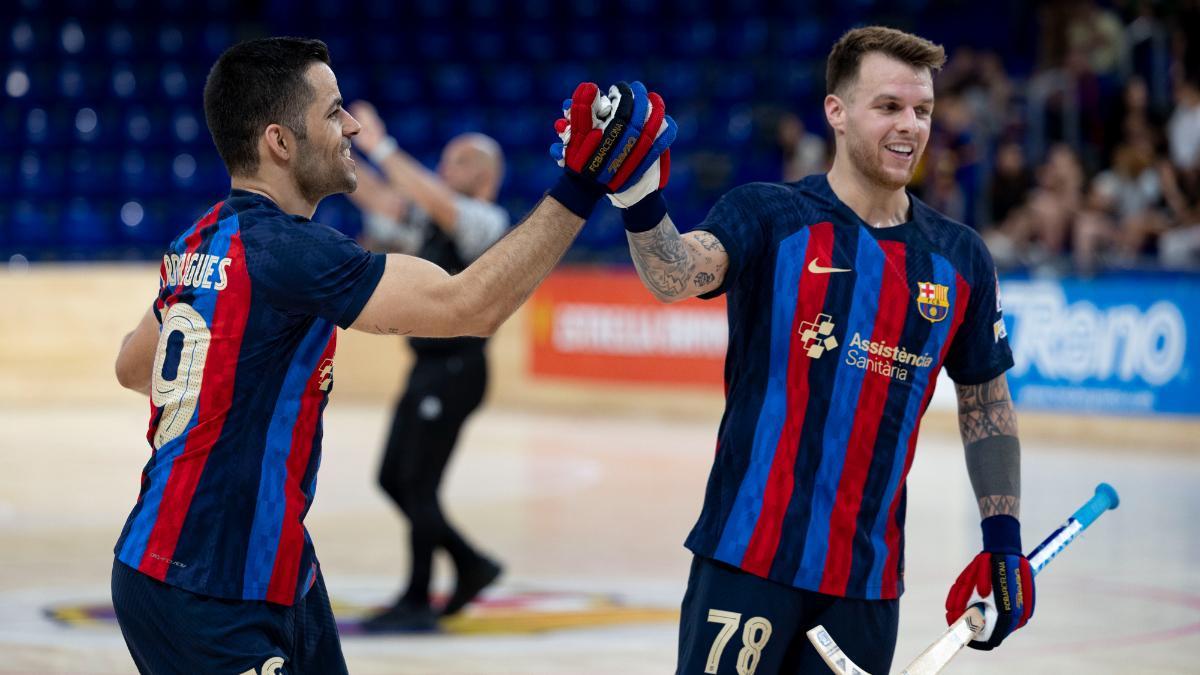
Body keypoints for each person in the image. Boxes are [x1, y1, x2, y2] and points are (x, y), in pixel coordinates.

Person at [110, 37, 673, 674]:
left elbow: (134, 366)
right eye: (332, 112)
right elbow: (470, 307)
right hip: (208, 584)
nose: (350, 124)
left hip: (250, 561)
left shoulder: (202, 237)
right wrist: (582, 182)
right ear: (280, 142)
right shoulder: (293, 252)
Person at [604, 27, 1033, 673]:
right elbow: (675, 274)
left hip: (866, 586)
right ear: (836, 111)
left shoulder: (960, 257)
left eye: (922, 111)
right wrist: (638, 196)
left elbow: (985, 400)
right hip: (746, 557)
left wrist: (1003, 539)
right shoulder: (770, 214)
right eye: (888, 106)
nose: (910, 126)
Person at [343, 105, 509, 631]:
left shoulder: (487, 221)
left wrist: (384, 146)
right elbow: (380, 197)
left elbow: (436, 205)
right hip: (428, 367)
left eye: (456, 162)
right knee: (394, 477)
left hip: (458, 368)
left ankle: (420, 597)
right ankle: (468, 564)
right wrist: (334, 151)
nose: (443, 168)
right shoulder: (432, 215)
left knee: (417, 484)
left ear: (483, 177)